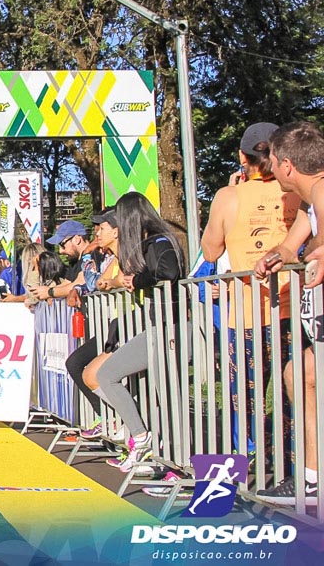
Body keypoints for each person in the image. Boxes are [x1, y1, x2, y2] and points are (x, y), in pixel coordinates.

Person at [201, 122, 300, 459]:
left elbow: (211, 251)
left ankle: (244, 465)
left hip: (247, 311)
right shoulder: (295, 191)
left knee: (244, 395)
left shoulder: (229, 196)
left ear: (242, 156)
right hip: (291, 306)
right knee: (294, 389)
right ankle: (294, 465)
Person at [252, 121, 324, 505]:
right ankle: (311, 479)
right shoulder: (311, 203)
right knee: (300, 374)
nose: (272, 170)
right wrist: (275, 256)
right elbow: (292, 246)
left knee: (302, 374)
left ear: (287, 165)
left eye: (274, 162)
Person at [93, 192, 183, 472]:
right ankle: (156, 452)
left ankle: (146, 442)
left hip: (172, 327)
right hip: (162, 325)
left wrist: (137, 279)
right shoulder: (156, 241)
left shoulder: (158, 241)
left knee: (110, 375)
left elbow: (168, 271)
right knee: (149, 390)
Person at [65, 207, 123, 438]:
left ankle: (127, 428)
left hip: (129, 326)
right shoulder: (113, 257)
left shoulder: (118, 255)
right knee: (81, 367)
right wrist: (76, 289)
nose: (97, 234)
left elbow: (96, 283)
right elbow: (95, 283)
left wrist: (87, 255)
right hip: (115, 325)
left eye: (101, 228)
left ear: (117, 230)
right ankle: (114, 422)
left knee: (89, 371)